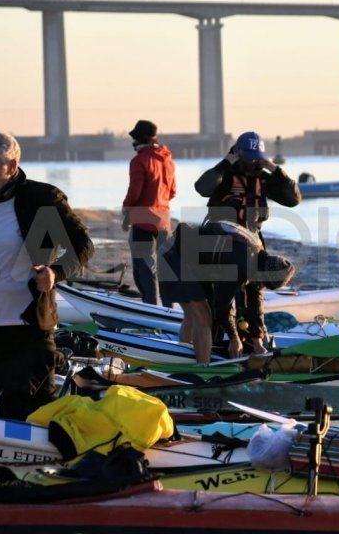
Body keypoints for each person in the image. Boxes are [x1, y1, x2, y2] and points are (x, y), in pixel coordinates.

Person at [0, 131, 93, 419]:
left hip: (31, 331)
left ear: (11, 166)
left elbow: (83, 245)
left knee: (34, 417)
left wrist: (54, 273)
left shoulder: (43, 199)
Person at [194, 131, 301, 352]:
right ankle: (217, 340)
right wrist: (226, 162)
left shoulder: (264, 178)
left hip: (253, 240)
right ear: (237, 153)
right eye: (248, 156)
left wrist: (273, 168)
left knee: (255, 290)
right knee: (220, 294)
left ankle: (255, 338)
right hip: (220, 243)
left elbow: (293, 199)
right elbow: (201, 188)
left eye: (256, 157)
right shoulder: (224, 173)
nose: (252, 162)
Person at [159, 220, 296, 363]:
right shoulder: (242, 264)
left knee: (195, 314)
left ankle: (182, 357)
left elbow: (255, 304)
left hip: (193, 259)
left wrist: (258, 340)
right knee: (204, 316)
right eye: (265, 284)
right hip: (174, 254)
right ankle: (203, 369)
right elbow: (223, 305)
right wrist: (233, 337)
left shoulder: (261, 259)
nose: (262, 285)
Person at [121, 119, 176, 306]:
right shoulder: (167, 159)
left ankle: (151, 308)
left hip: (142, 222)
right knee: (165, 268)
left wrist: (126, 210)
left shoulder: (139, 161)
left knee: (144, 268)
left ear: (139, 139)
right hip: (164, 221)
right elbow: (173, 191)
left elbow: (134, 192)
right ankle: (169, 308)